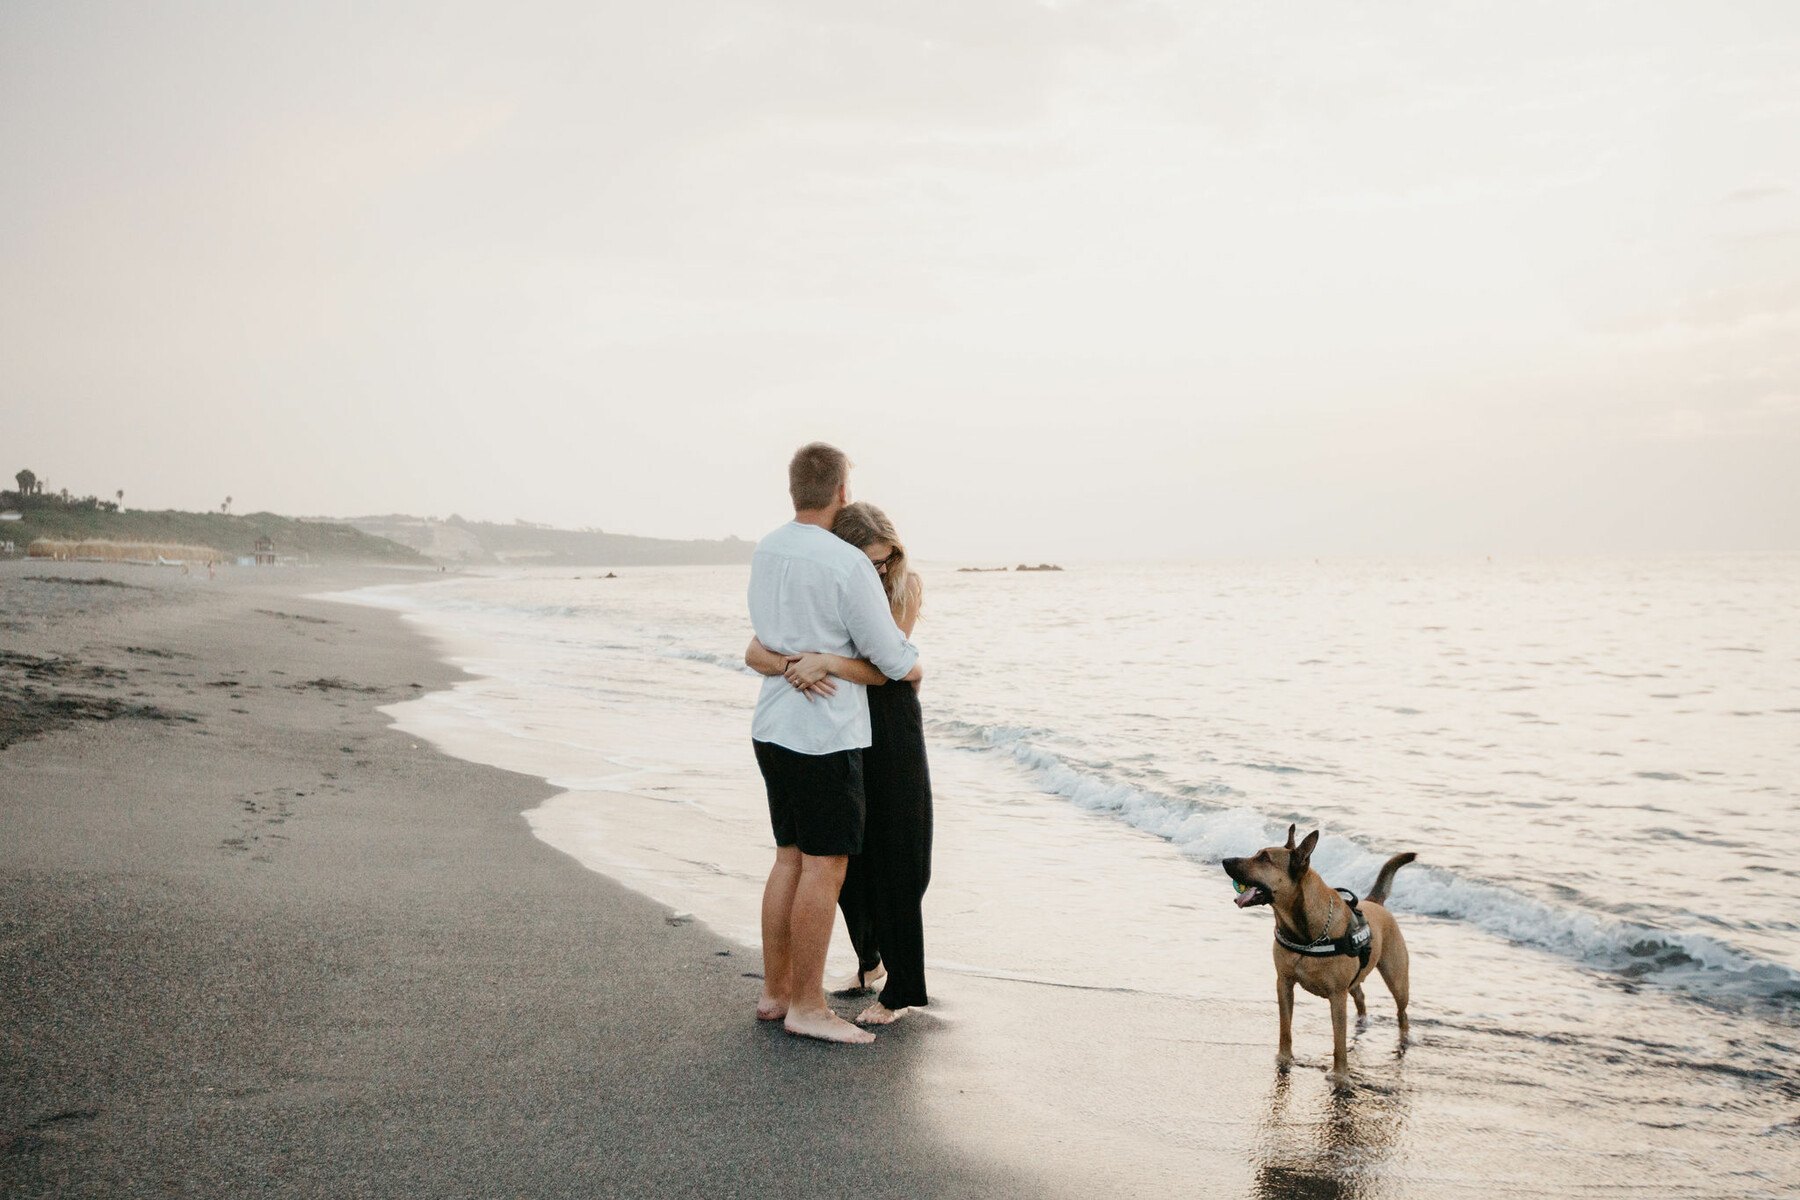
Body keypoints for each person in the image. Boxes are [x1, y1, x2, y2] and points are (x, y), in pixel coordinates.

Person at [746, 443, 921, 1044]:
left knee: (788, 858)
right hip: (823, 739)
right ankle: (809, 1006)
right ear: (843, 491)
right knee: (825, 867)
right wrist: (902, 655)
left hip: (771, 728)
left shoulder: (768, 548)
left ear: (794, 489)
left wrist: (795, 661)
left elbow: (761, 642)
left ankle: (775, 993)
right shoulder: (846, 564)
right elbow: (893, 660)